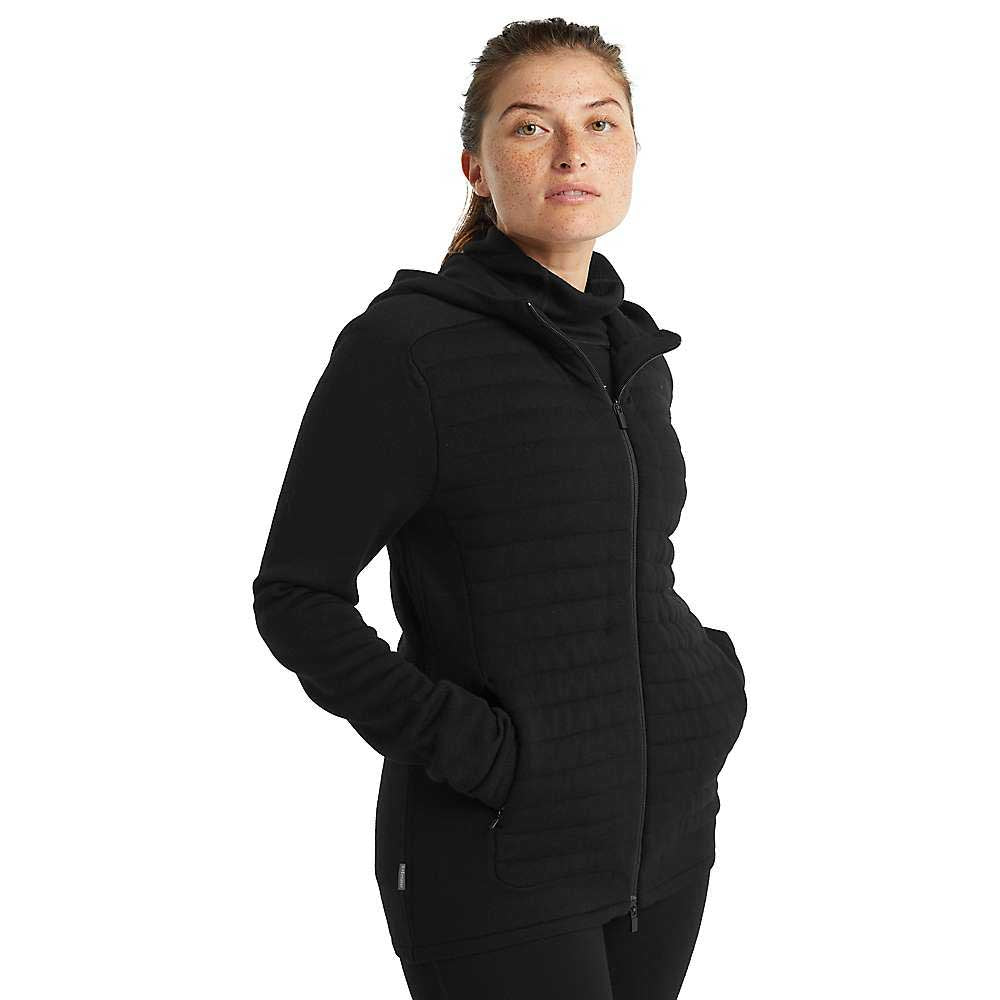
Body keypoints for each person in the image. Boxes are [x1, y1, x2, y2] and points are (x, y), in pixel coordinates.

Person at [252, 17, 747, 999]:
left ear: (634, 149)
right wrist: (480, 753)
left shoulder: (633, 356)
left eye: (601, 123)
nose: (572, 152)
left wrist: (704, 692)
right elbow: (297, 595)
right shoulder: (408, 349)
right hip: (494, 863)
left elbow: (635, 567)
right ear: (475, 167)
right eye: (529, 126)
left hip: (664, 849)